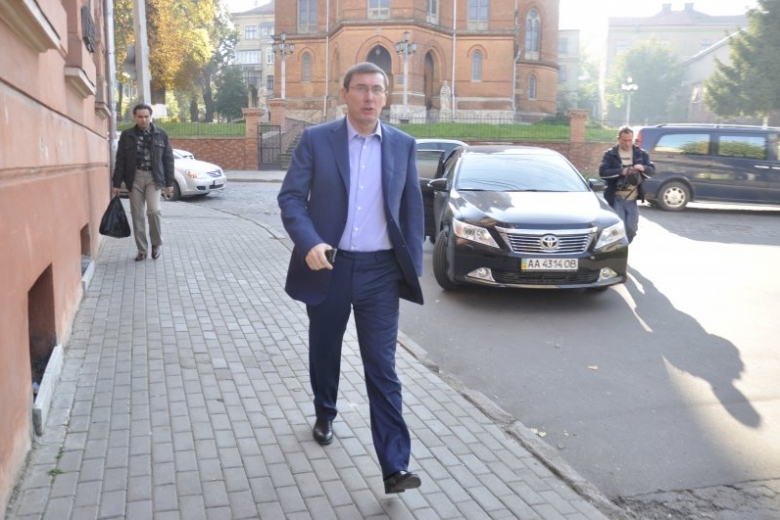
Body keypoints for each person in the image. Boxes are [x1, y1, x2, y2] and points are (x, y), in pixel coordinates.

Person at [277, 62, 425, 494]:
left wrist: (410, 269)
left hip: (380, 273)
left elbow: (412, 212)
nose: (369, 97)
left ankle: (394, 466)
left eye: (377, 89)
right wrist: (309, 242)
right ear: (345, 93)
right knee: (325, 350)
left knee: (383, 366)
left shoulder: (402, 145)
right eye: (360, 88)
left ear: (386, 96)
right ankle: (325, 412)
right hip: (329, 267)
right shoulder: (317, 139)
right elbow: (291, 198)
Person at [112, 103, 175, 261]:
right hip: (134, 178)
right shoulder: (127, 135)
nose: (144, 120)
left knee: (154, 211)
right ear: (135, 117)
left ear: (150, 116)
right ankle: (142, 249)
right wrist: (116, 183)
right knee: (137, 215)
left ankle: (156, 243)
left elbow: (168, 160)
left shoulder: (161, 134)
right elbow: (120, 160)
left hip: (154, 178)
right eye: (140, 117)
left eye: (146, 116)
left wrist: (169, 184)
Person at [599, 126, 655, 243]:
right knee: (618, 228)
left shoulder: (641, 153)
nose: (627, 143)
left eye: (630, 140)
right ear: (618, 139)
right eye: (624, 140)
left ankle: (624, 246)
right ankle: (617, 248)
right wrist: (621, 171)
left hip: (632, 198)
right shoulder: (610, 154)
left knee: (632, 229)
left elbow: (651, 170)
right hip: (616, 196)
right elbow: (603, 172)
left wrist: (643, 168)